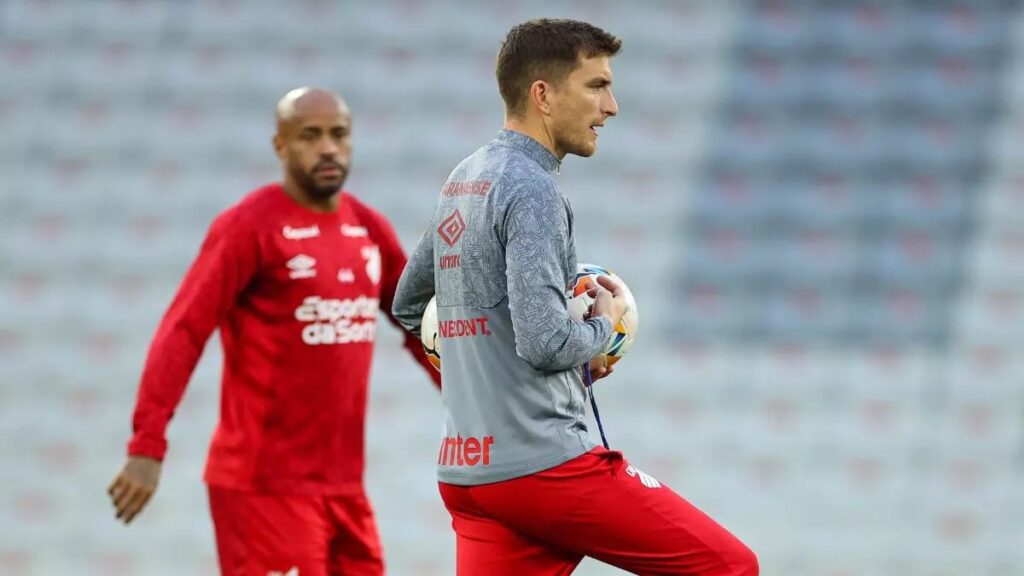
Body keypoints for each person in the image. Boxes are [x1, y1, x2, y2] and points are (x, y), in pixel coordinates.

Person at [392, 19, 758, 575]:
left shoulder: (465, 179)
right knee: (730, 567)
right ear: (542, 94)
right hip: (545, 469)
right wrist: (600, 331)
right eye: (595, 86)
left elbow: (409, 304)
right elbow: (544, 343)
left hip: (471, 475)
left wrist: (488, 376)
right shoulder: (533, 188)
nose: (611, 106)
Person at [107, 87, 441, 576]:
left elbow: (418, 327)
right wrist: (147, 444)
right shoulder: (249, 228)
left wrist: (478, 405)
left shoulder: (366, 227)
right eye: (310, 135)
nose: (328, 147)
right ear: (280, 146)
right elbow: (183, 333)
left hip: (345, 488)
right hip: (264, 488)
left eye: (339, 134)